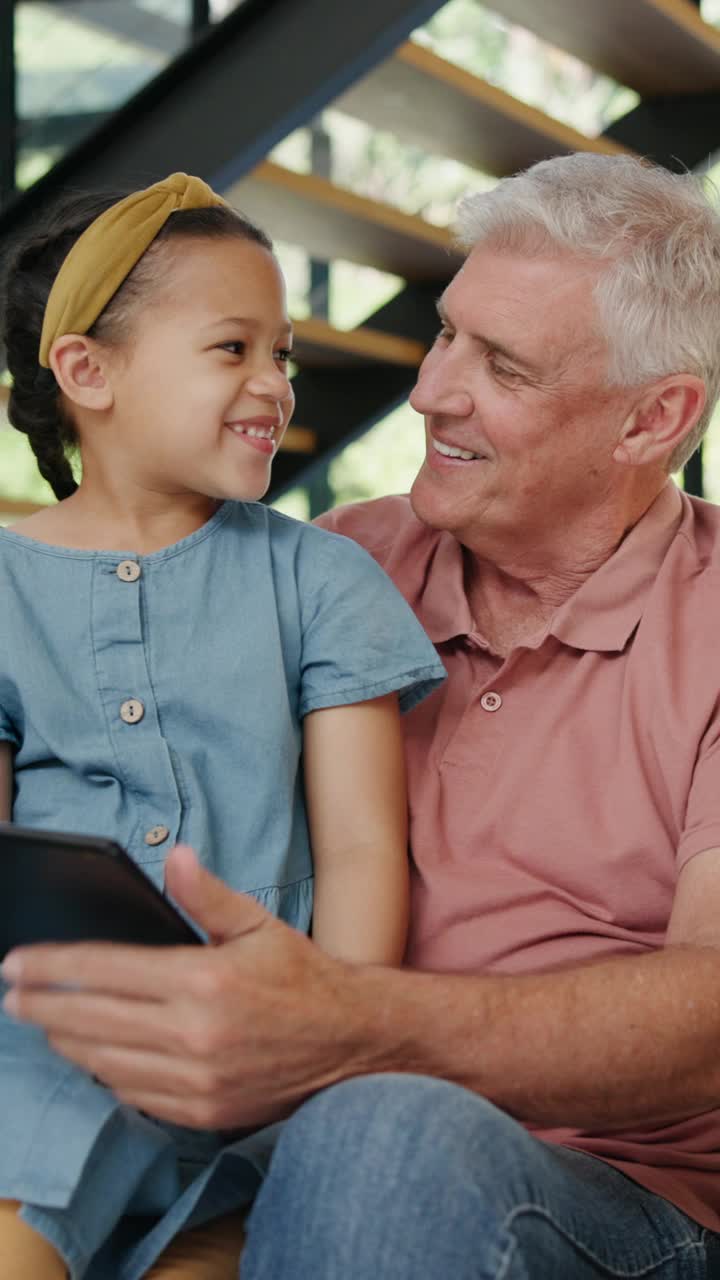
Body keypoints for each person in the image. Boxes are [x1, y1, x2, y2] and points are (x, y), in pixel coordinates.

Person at [6, 150, 720, 1279]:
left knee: (378, 1130)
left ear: (653, 420)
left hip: (615, 1198)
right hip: (271, 1143)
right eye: (445, 333)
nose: (431, 389)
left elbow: (711, 1016)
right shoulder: (337, 563)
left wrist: (354, 1030)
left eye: (503, 364)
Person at [0, 172, 446, 1279]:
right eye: (231, 348)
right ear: (87, 372)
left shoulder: (322, 578)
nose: (273, 384)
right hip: (45, 1055)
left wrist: (327, 1047)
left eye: (283, 354)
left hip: (260, 1074)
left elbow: (356, 846)